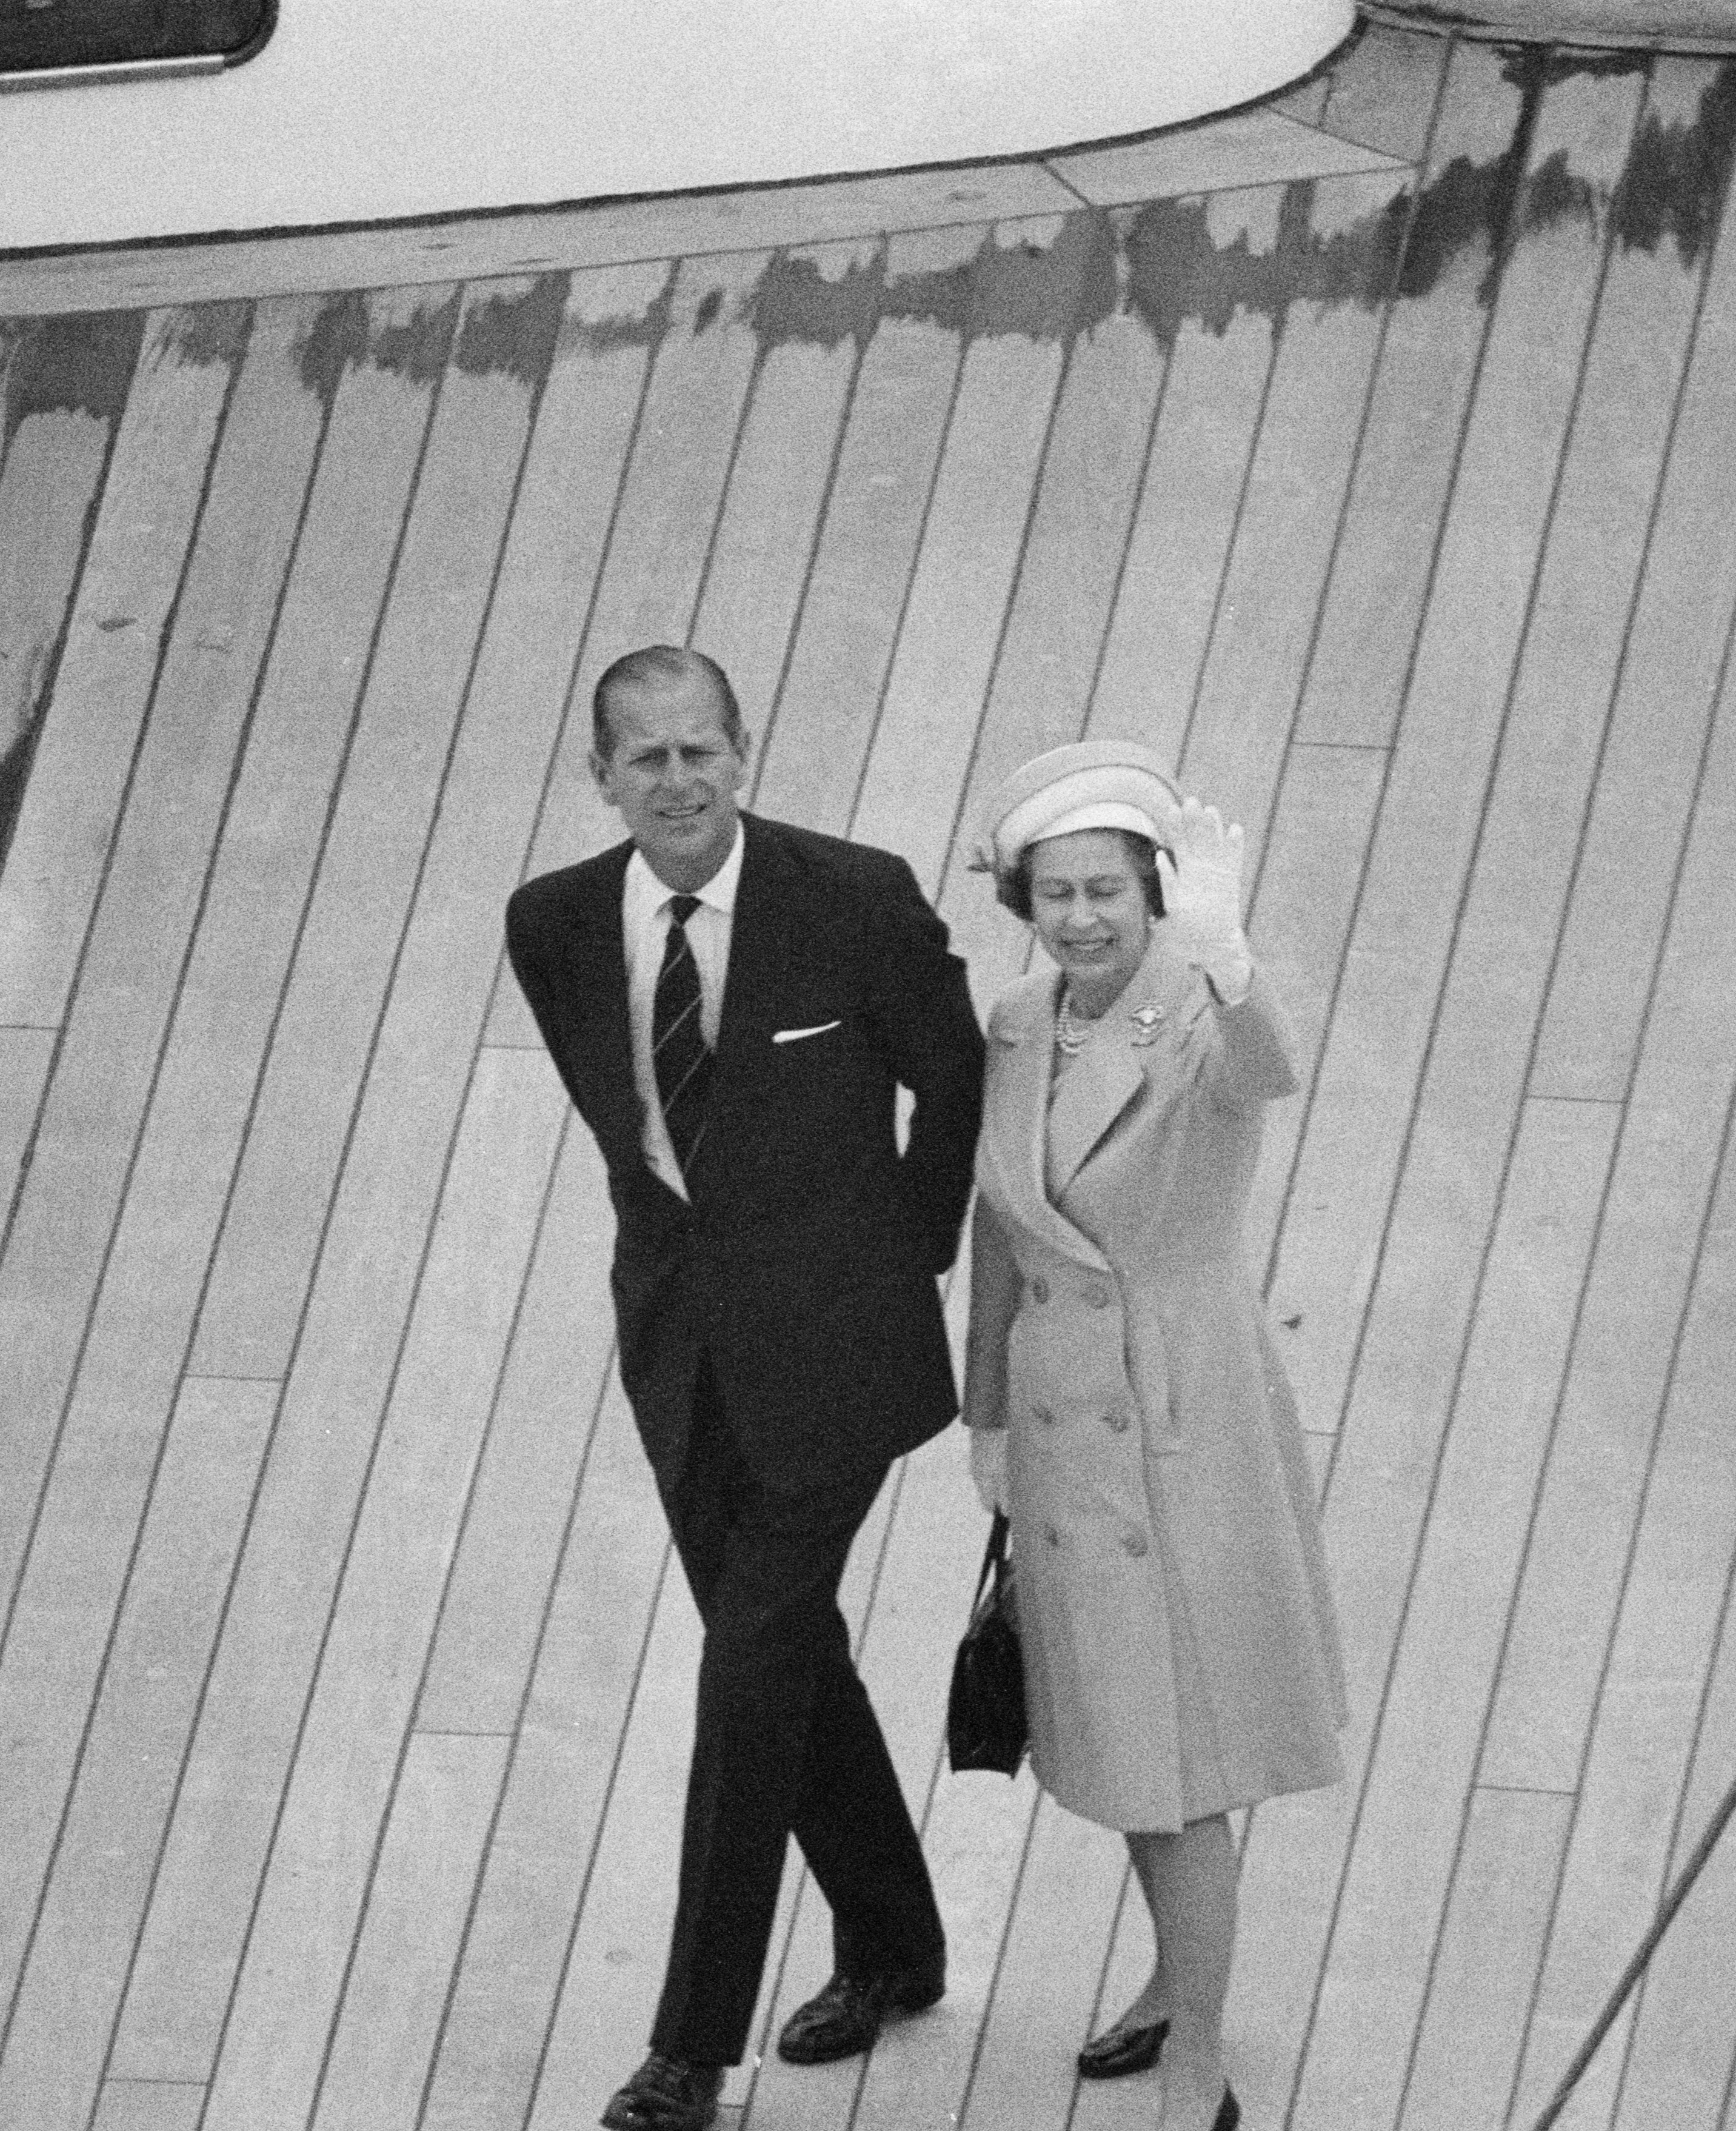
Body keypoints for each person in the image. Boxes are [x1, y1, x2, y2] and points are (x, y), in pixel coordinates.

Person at [502, 646, 986, 2131]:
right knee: (785, 1657)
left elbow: (955, 1080)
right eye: (646, 760)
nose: (680, 782)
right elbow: (631, 1129)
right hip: (680, 1347)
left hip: (840, 1357)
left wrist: (898, 1269)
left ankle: (691, 2053)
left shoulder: (854, 897)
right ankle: (898, 1949)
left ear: (744, 753)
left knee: (747, 1669)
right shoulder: (557, 924)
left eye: (702, 751)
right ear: (602, 778)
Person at [960, 740, 1347, 2131]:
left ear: (1154, 892)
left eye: (1109, 890)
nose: (1082, 917)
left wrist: (1230, 956)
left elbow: (1270, 1073)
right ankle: (1176, 1993)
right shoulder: (1014, 1026)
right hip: (1064, 1430)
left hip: (1187, 1422)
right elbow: (999, 1229)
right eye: (1056, 893)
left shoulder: (1199, 1008)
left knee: (1183, 1761)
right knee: (1130, 1741)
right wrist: (985, 1417)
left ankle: (1200, 2063)